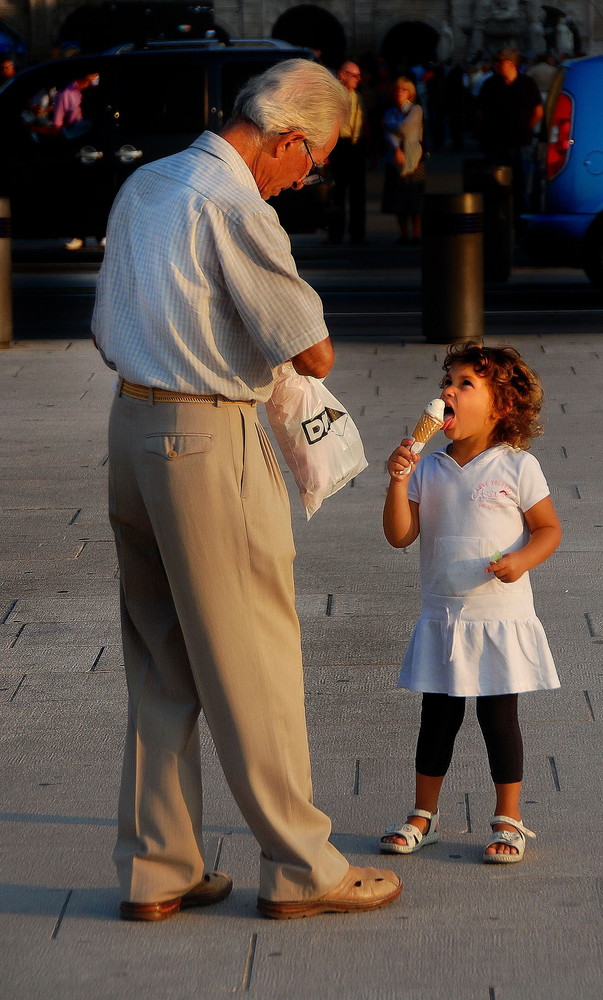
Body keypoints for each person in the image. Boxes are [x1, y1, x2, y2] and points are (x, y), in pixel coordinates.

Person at [91, 58, 402, 922]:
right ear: (287, 140)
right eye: (315, 159)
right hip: (208, 439)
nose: (310, 176)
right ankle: (301, 864)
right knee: (254, 660)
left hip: (132, 428)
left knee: (160, 660)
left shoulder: (149, 183)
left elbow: (109, 320)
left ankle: (158, 868)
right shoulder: (235, 206)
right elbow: (311, 349)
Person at [379, 341, 561, 863]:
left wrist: (522, 560)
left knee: (499, 720)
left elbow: (548, 529)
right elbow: (400, 534)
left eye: (465, 385)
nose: (447, 392)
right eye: (448, 382)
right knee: (436, 718)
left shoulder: (517, 466)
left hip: (498, 619)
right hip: (444, 617)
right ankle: (424, 814)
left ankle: (510, 818)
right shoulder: (428, 468)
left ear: (501, 407)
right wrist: (396, 482)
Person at [476, 48, 543, 216]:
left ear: (512, 63)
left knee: (522, 185)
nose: (496, 64)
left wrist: (525, 127)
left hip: (521, 142)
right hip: (496, 142)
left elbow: (538, 112)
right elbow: (480, 111)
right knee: (496, 186)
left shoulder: (527, 83)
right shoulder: (490, 84)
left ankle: (521, 221)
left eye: (500, 60)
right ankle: (499, 220)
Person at [326, 61, 367, 245]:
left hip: (356, 147)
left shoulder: (358, 96)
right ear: (342, 75)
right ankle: (335, 234)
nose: (358, 79)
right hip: (339, 147)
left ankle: (358, 233)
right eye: (354, 75)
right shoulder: (334, 96)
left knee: (358, 194)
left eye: (358, 75)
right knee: (337, 193)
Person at [382, 77, 425, 244]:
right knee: (398, 198)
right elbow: (388, 135)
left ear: (410, 93)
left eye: (404, 90)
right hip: (395, 157)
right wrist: (396, 149)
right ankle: (403, 233)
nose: (400, 93)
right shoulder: (390, 111)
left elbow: (404, 128)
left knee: (414, 197)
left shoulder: (416, 110)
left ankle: (416, 233)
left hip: (414, 158)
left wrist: (388, 125)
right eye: (397, 90)